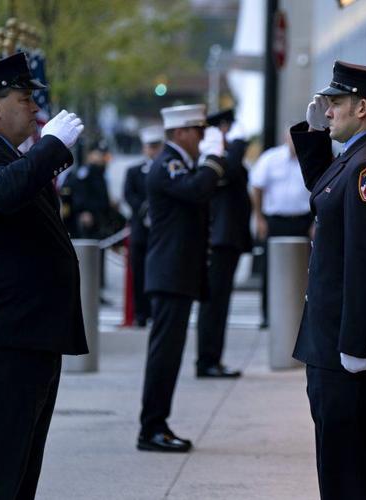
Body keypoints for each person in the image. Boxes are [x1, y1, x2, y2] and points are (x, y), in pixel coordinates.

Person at [0, 52, 87, 500]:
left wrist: (45, 153)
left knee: (18, 477)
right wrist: (52, 147)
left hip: (27, 337)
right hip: (1, 340)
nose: (36, 109)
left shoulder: (5, 154)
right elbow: (4, 192)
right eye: (25, 98)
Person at [289, 60, 366, 500]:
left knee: (348, 470)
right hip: (331, 337)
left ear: (362, 108)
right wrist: (315, 136)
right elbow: (324, 193)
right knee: (339, 464)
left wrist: (356, 345)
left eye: (336, 103)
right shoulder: (356, 158)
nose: (327, 109)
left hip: (347, 343)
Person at [138, 104, 238, 453]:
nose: (201, 137)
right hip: (169, 273)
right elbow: (196, 190)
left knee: (170, 354)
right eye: (197, 131)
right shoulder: (168, 163)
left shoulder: (179, 162)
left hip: (177, 273)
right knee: (164, 355)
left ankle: (156, 424)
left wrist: (212, 162)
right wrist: (213, 159)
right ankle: (152, 427)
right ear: (180, 132)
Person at [195, 109, 251, 378]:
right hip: (218, 238)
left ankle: (212, 358)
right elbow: (228, 171)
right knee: (214, 304)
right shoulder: (213, 157)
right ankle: (207, 360)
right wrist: (236, 145)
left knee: (220, 303)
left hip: (228, 238)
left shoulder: (222, 156)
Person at [249, 130, 312, 329]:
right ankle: (268, 315)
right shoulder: (270, 158)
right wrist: (259, 218)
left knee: (307, 269)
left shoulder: (310, 158)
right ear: (285, 139)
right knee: (271, 268)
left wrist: (315, 223)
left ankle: (304, 316)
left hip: (303, 221)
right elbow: (257, 187)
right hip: (276, 221)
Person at [124, 125, 164, 327]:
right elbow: (128, 195)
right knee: (138, 273)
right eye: (150, 146)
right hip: (140, 229)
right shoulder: (133, 171)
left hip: (159, 231)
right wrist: (142, 208)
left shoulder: (166, 168)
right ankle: (141, 313)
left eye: (157, 146)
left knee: (158, 273)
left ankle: (156, 312)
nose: (154, 150)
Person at [60, 138, 112, 239]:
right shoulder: (84, 173)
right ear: (91, 155)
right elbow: (78, 194)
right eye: (99, 154)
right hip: (86, 220)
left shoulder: (100, 172)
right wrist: (83, 210)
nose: (102, 157)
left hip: (99, 217)